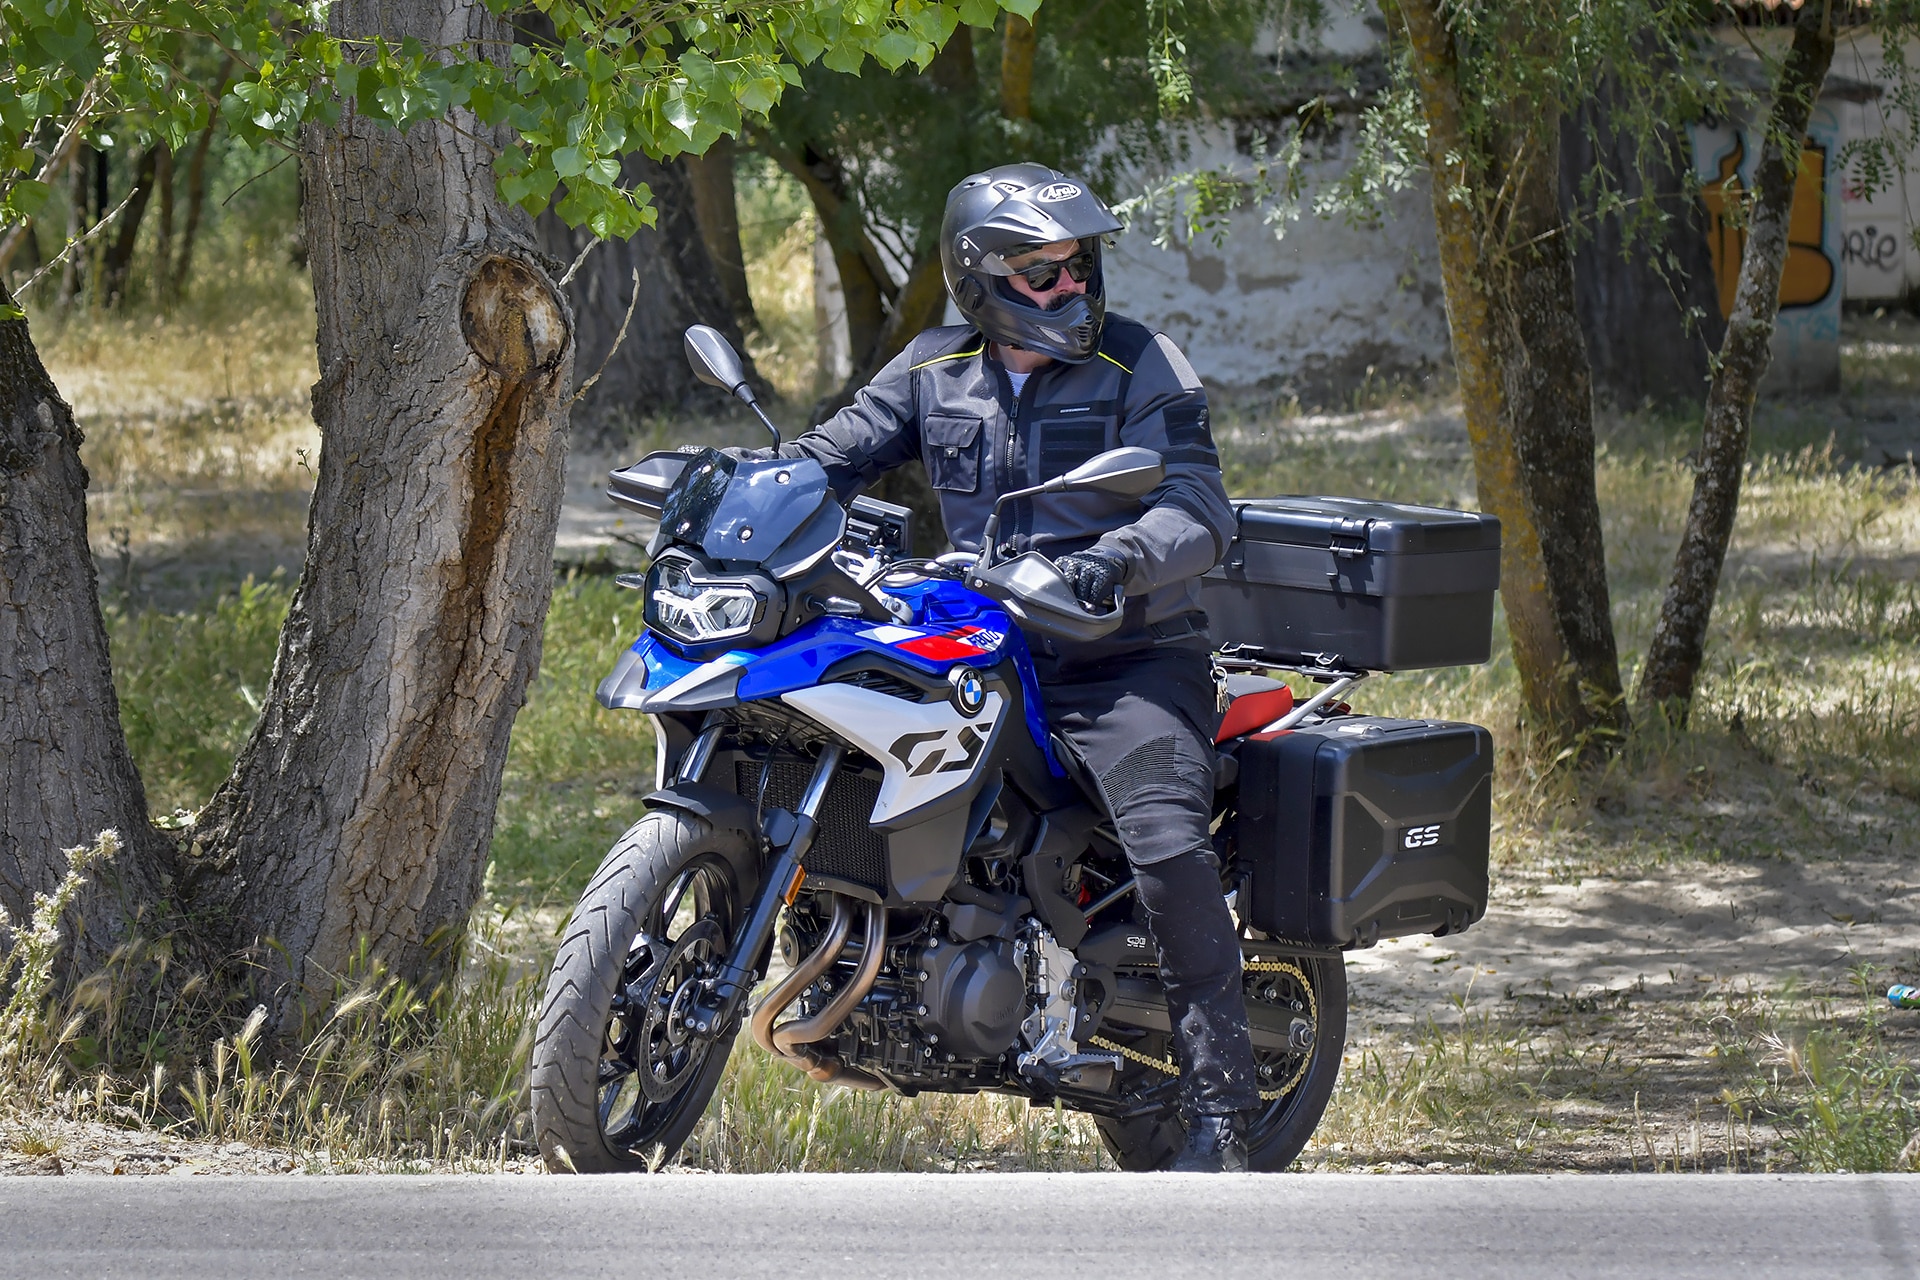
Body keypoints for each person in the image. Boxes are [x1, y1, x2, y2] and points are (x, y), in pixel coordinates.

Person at [766, 162, 1258, 1171]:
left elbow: (1200, 509)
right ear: (979, 276)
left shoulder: (1139, 364)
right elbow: (832, 452)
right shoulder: (934, 366)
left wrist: (1116, 557)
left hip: (1124, 653)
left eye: (1078, 267)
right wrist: (750, 489)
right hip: (984, 639)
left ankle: (1223, 1109)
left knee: (1163, 833)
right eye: (1043, 273)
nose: (1071, 288)